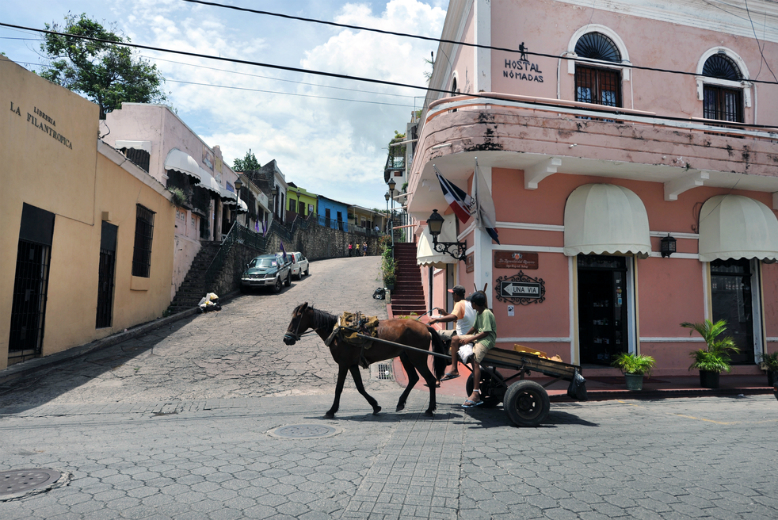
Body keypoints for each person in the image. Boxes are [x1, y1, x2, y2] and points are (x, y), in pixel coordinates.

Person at [428, 285, 476, 382]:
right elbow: (459, 319)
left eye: (453, 294)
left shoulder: (459, 304)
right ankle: (447, 354)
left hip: (460, 334)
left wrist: (437, 319)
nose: (452, 297)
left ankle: (446, 357)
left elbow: (453, 317)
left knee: (435, 334)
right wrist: (445, 313)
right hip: (469, 334)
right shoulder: (470, 304)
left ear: (457, 295)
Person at [457, 291, 496, 408]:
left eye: (471, 303)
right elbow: (474, 328)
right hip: (480, 338)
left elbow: (486, 332)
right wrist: (464, 336)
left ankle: (475, 393)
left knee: (475, 361)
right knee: (455, 340)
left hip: (486, 340)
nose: (470, 305)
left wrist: (469, 340)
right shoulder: (479, 313)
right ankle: (453, 369)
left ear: (475, 303)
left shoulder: (487, 313)